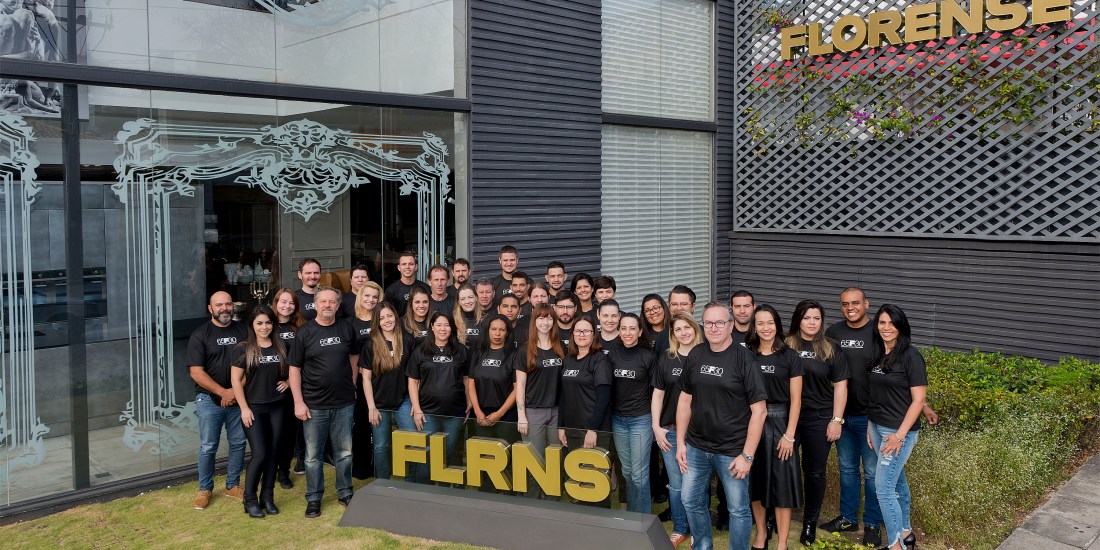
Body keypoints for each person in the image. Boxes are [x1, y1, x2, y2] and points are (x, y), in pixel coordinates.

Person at [676, 302, 768, 550]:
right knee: (690, 500)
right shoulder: (696, 354)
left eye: (719, 322)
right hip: (696, 447)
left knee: (737, 509)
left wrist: (747, 456)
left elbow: (759, 412)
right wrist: (681, 443)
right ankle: (702, 545)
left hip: (732, 451)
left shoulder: (745, 359)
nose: (713, 328)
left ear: (731, 326)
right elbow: (685, 400)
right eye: (708, 323)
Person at [288, 287, 359, 518]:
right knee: (312, 456)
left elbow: (354, 357)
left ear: (337, 306)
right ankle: (314, 498)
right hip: (314, 405)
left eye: (332, 302)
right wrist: (298, 402)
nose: (327, 305)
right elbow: (294, 369)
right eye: (323, 302)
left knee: (344, 452)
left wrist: (352, 383)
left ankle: (345, 492)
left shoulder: (346, 327)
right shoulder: (304, 333)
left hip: (344, 402)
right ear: (315, 305)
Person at [786, 299, 849, 544]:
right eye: (806, 318)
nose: (811, 323)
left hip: (819, 417)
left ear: (822, 321)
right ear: (798, 320)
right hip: (788, 416)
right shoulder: (785, 345)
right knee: (783, 467)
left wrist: (837, 420)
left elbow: (841, 386)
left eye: (816, 318)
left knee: (814, 472)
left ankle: (809, 522)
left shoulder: (831, 348)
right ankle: (775, 516)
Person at [867, 304, 927, 550]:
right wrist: (870, 425)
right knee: (897, 481)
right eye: (882, 322)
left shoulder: (911, 356)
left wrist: (900, 435)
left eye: (892, 323)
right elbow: (876, 393)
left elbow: (918, 400)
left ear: (901, 326)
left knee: (883, 489)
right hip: (876, 427)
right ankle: (906, 533)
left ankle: (895, 546)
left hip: (897, 432)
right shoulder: (878, 353)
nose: (887, 327)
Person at [747, 304, 803, 550]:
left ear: (777, 325)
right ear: (754, 326)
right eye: (760, 323)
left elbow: (797, 400)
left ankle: (782, 543)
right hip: (752, 423)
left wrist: (789, 436)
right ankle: (761, 534)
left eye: (770, 322)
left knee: (782, 486)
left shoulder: (790, 356)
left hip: (781, 424)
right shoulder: (747, 354)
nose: (765, 328)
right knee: (755, 484)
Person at [188, 291, 248, 510]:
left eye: (228, 304)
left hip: (238, 397)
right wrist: (223, 392)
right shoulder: (200, 334)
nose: (225, 309)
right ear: (210, 309)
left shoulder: (244, 330)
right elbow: (196, 372)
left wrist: (234, 391)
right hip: (208, 399)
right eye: (219, 305)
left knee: (238, 443)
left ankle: (232, 485)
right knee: (208, 446)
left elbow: (252, 363)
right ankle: (205, 489)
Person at [230, 305, 288, 518]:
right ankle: (250, 499)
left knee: (274, 454)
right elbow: (236, 381)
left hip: (277, 407)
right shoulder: (243, 349)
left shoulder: (281, 346)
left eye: (268, 322)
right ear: (252, 325)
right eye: (260, 323)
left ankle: (267, 497)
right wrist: (244, 408)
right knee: (260, 453)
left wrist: (287, 382)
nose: (264, 327)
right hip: (254, 408)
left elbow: (293, 370)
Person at [652, 312, 702, 547]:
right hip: (670, 431)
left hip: (699, 433)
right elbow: (658, 394)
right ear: (673, 334)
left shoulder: (706, 355)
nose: (684, 332)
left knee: (697, 483)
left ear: (695, 328)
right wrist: (656, 427)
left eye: (687, 327)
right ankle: (680, 527)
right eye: (678, 329)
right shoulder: (667, 358)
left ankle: (698, 530)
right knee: (676, 484)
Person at [407, 312, 470, 484]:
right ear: (432, 327)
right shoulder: (421, 351)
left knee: (448, 452)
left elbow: (466, 379)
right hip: (428, 413)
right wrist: (417, 408)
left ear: (452, 328)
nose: (443, 329)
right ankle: (425, 491)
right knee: (428, 452)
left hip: (455, 413)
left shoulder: (461, 350)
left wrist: (469, 401)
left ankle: (442, 490)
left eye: (447, 325)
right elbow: (413, 381)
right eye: (439, 325)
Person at [556, 317, 612, 507]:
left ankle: (600, 517)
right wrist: (561, 426)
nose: (582, 334)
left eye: (586, 331)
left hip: (593, 429)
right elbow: (563, 395)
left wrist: (592, 430)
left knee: (596, 479)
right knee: (579, 477)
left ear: (594, 335)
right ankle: (582, 518)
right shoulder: (569, 359)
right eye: (578, 331)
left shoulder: (600, 360)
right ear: (572, 334)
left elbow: (604, 398)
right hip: (572, 428)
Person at [359, 302, 415, 480]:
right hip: (378, 403)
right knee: (381, 446)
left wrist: (415, 403)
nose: (387, 320)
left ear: (395, 317)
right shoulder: (371, 344)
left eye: (389, 316)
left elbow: (414, 375)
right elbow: (366, 378)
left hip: (403, 400)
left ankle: (411, 480)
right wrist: (371, 407)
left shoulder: (407, 340)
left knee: (413, 440)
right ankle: (383, 482)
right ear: (377, 321)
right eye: (382, 318)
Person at [515, 304, 565, 499]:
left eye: (549, 318)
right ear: (534, 321)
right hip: (533, 412)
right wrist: (521, 416)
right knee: (535, 461)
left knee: (555, 460)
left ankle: (552, 501)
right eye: (541, 318)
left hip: (557, 412)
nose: (546, 322)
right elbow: (520, 386)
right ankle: (533, 503)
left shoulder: (560, 348)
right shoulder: (525, 350)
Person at [610, 313, 657, 513]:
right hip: (618, 420)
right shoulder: (612, 356)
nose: (627, 332)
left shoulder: (648, 357)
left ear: (639, 332)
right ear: (619, 331)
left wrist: (655, 422)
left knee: (639, 474)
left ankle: (642, 518)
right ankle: (632, 516)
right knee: (627, 471)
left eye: (632, 328)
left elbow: (656, 393)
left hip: (640, 419)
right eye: (624, 328)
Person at [466, 314, 518, 489]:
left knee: (505, 457)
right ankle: (486, 492)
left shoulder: (513, 355)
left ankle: (508, 494)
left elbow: (517, 389)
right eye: (494, 329)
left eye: (502, 330)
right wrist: (477, 412)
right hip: (482, 414)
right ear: (487, 331)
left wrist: (500, 413)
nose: (497, 333)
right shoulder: (478, 353)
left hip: (506, 415)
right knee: (485, 457)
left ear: (507, 333)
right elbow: (471, 383)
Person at [270, 288, 304, 488]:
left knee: (289, 434)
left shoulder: (299, 327)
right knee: (272, 434)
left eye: (291, 302)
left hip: (292, 389)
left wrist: (290, 382)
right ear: (276, 303)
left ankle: (284, 472)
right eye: (283, 302)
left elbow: (305, 359)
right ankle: (269, 470)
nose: (287, 306)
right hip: (268, 388)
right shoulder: (266, 325)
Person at [350, 282, 383, 480]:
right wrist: (353, 382)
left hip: (382, 380)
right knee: (361, 424)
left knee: (381, 424)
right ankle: (361, 467)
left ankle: (381, 466)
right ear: (360, 297)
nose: (371, 300)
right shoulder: (351, 323)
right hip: (361, 380)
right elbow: (350, 355)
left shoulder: (382, 319)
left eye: (375, 297)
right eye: (367, 296)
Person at [385, 251, 427, 316]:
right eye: (404, 264)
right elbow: (389, 315)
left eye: (411, 264)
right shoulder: (391, 291)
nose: (407, 267)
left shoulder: (425, 288)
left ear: (416, 267)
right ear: (399, 267)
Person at [452, 283, 485, 350]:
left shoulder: (486, 320)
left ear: (476, 298)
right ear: (459, 302)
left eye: (470, 297)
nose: (467, 301)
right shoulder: (452, 321)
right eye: (463, 299)